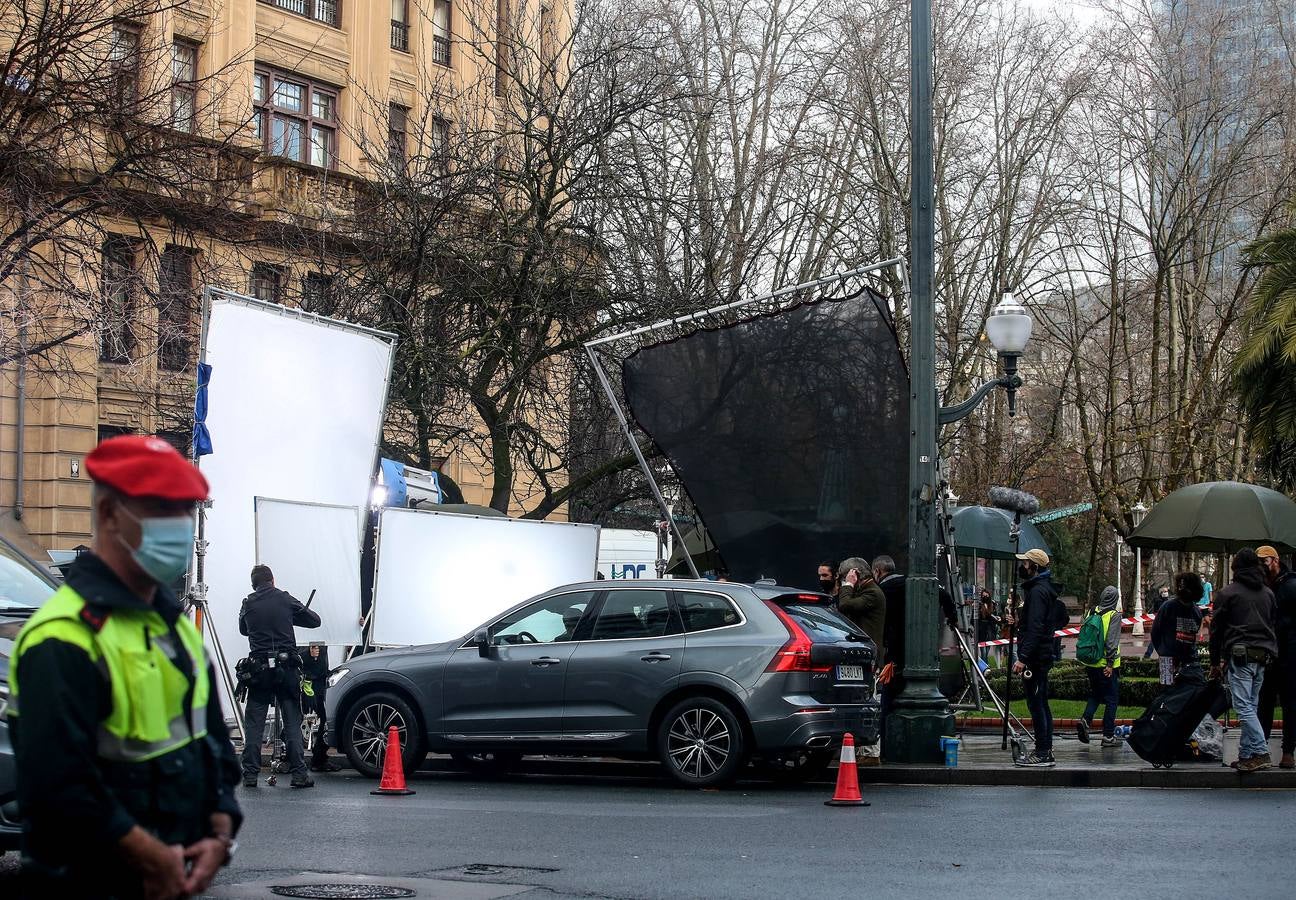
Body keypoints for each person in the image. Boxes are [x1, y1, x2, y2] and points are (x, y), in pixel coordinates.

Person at [7, 435, 241, 898]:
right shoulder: (61, 638)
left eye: (186, 510)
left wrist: (222, 825)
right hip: (86, 882)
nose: (179, 526)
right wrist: (150, 855)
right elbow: (57, 789)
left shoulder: (173, 626)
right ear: (110, 514)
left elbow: (211, 739)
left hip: (170, 878)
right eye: (161, 509)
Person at [239, 564, 322, 788]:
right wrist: (291, 617)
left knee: (254, 723)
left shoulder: (248, 603)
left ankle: (249, 775)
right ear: (273, 580)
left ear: (253, 584)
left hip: (259, 671)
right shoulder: (285, 599)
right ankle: (299, 774)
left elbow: (244, 630)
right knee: (292, 721)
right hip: (287, 669)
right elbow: (315, 620)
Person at [1209, 548, 1279, 772]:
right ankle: (1247, 754)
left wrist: (1214, 661)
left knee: (1243, 706)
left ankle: (1260, 751)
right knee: (1252, 704)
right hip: (1263, 656)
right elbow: (1273, 623)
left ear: (1235, 567)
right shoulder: (1268, 593)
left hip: (1240, 657)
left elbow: (1216, 631)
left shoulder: (1229, 594)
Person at [1013, 548, 1062, 768]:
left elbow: (1035, 628)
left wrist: (1022, 658)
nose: (1022, 567)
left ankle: (1043, 751)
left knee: (1037, 704)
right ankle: (1045, 748)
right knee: (1041, 702)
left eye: (1025, 563)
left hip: (1035, 658)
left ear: (1034, 566)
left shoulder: (1037, 592)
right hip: (1040, 655)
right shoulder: (1041, 590)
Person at [1256, 546, 1296, 769]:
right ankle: (1261, 750)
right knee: (1265, 703)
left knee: (1290, 703)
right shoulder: (1262, 587)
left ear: (1276, 560)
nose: (1263, 564)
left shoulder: (1290, 586)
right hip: (1269, 653)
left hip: (1289, 653)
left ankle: (1288, 751)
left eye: (1266, 560)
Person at [1077, 586, 1122, 748]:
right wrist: (1110, 664)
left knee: (1096, 694)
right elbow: (1111, 642)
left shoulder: (1092, 611)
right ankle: (1108, 736)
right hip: (1106, 665)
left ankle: (1085, 720)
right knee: (1112, 699)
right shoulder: (1114, 616)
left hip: (1090, 662)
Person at [1150, 572, 1205, 686]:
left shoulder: (1196, 611)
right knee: (1167, 692)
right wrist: (1163, 652)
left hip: (1190, 660)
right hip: (1168, 660)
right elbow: (1156, 631)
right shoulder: (1168, 607)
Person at [300, 643, 343, 773]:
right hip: (309, 680)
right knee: (319, 719)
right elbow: (298, 647)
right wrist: (308, 654)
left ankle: (318, 759)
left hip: (317, 678)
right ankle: (318, 759)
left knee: (321, 719)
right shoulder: (309, 629)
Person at [837, 557, 886, 659]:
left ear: (855, 574)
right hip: (861, 650)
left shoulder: (872, 592)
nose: (844, 582)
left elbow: (845, 605)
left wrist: (849, 584)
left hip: (869, 653)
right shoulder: (862, 590)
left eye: (845, 578)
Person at [976, 589, 1000, 664]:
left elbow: (995, 616)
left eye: (986, 595)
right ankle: (985, 668)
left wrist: (997, 618)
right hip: (981, 629)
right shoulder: (979, 604)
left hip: (990, 629)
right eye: (983, 595)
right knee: (983, 652)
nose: (985, 597)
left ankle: (985, 666)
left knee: (987, 650)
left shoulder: (992, 604)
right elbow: (975, 618)